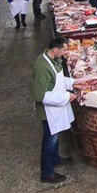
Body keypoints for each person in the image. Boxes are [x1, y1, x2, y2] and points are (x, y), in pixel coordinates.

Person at [32, 37, 76, 184]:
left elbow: (59, 80)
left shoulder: (54, 59)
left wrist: (75, 83)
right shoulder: (42, 66)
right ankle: (47, 173)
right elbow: (40, 95)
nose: (66, 52)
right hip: (48, 111)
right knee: (49, 140)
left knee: (55, 136)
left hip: (56, 109)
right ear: (55, 49)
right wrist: (66, 97)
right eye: (64, 49)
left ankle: (55, 159)